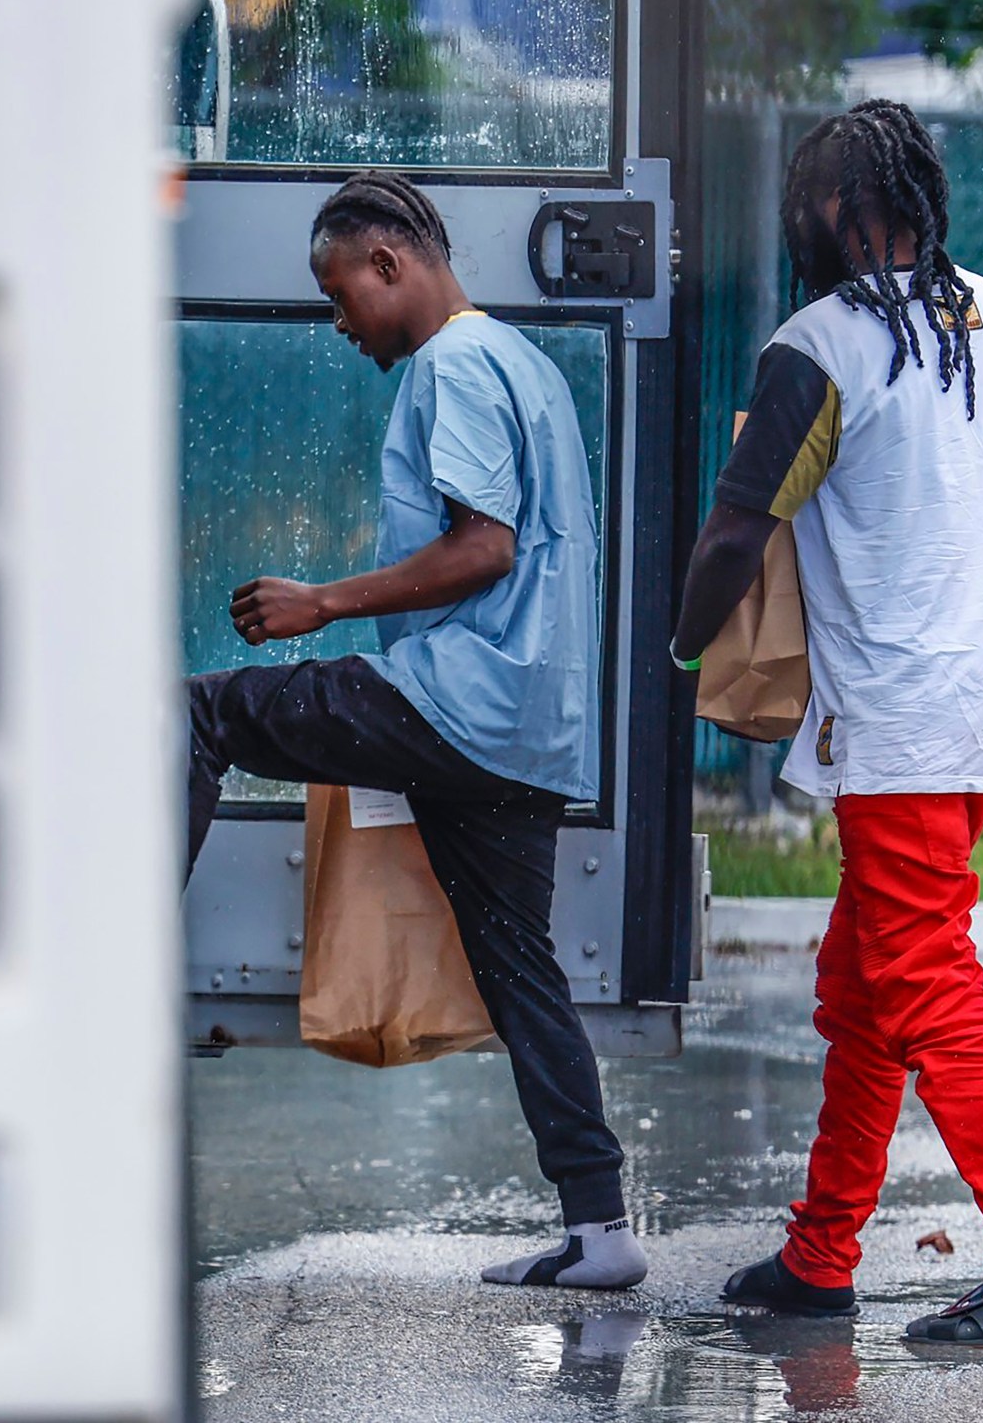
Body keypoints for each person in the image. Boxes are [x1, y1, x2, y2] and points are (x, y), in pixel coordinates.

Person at [673, 100, 983, 1348]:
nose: (799, 231)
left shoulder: (822, 341)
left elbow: (740, 526)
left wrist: (675, 642)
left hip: (904, 715)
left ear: (838, 215)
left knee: (922, 982)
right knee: (863, 986)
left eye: (808, 208)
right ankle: (820, 1256)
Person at [185, 171, 644, 1290]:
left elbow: (483, 547)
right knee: (517, 967)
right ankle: (600, 1231)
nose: (338, 323)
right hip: (529, 725)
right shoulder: (521, 364)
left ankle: (111, 978)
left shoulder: (455, 363)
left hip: (462, 699)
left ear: (390, 264)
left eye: (340, 293)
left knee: (202, 711)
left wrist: (321, 603)